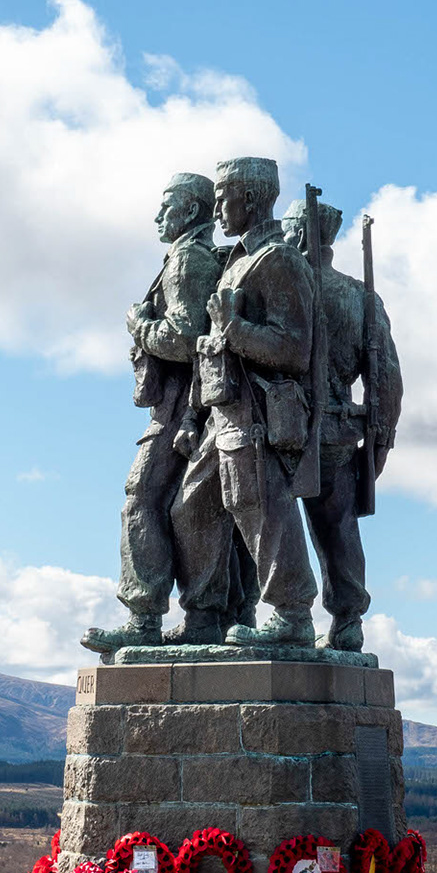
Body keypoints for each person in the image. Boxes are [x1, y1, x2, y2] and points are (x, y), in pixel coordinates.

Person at [172, 156, 320, 647]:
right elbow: (209, 344)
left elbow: (295, 348)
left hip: (256, 412)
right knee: (191, 509)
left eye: (222, 197)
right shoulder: (236, 260)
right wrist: (195, 412)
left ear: (251, 199)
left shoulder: (278, 260)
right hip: (221, 411)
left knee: (262, 507)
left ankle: (293, 615)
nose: (216, 208)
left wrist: (235, 329)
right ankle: (204, 618)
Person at [81, 173, 223, 654]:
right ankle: (202, 614)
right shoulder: (190, 257)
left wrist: (140, 325)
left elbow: (184, 340)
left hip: (183, 405)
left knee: (142, 499)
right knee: (191, 509)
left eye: (166, 206)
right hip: (186, 404)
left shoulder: (187, 260)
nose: (158, 216)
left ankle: (145, 617)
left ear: (188, 211)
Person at [281, 198, 402, 651]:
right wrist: (379, 443)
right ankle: (347, 619)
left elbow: (385, 377)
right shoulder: (361, 297)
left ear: (298, 233)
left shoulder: (286, 284)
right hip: (337, 429)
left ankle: (284, 614)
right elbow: (387, 382)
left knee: (269, 524)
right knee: (338, 529)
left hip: (285, 427)